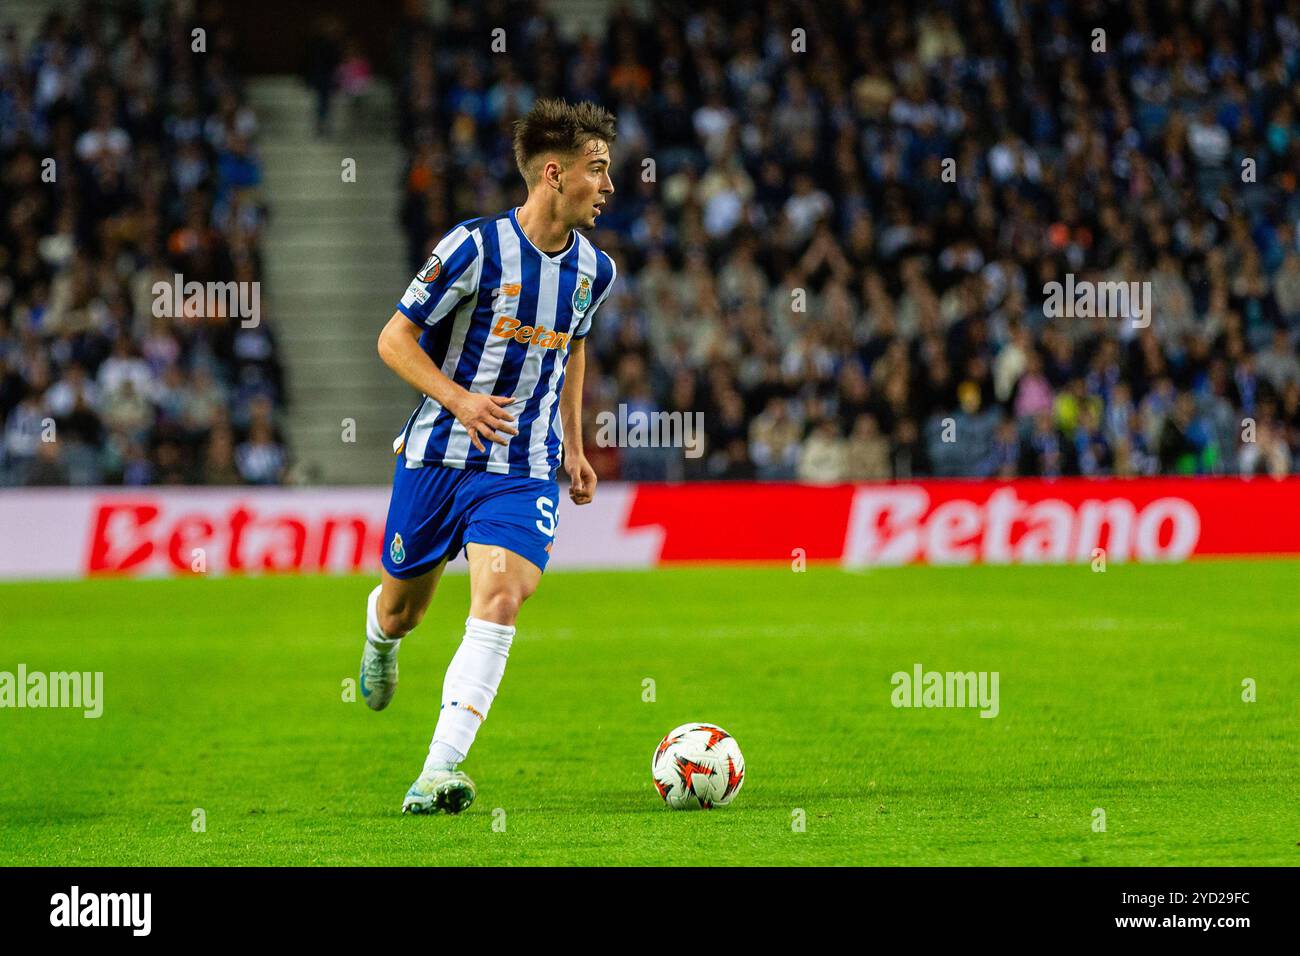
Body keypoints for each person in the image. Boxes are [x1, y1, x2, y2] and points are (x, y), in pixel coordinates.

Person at [361, 99, 617, 814]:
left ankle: (437, 768)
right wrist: (459, 399)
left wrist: (571, 439)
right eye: (598, 171)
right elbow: (392, 340)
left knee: (501, 594)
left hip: (522, 468)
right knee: (404, 611)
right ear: (555, 174)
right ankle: (379, 639)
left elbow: (572, 347)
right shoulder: (472, 248)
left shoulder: (596, 270)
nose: (609, 186)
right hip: (438, 456)